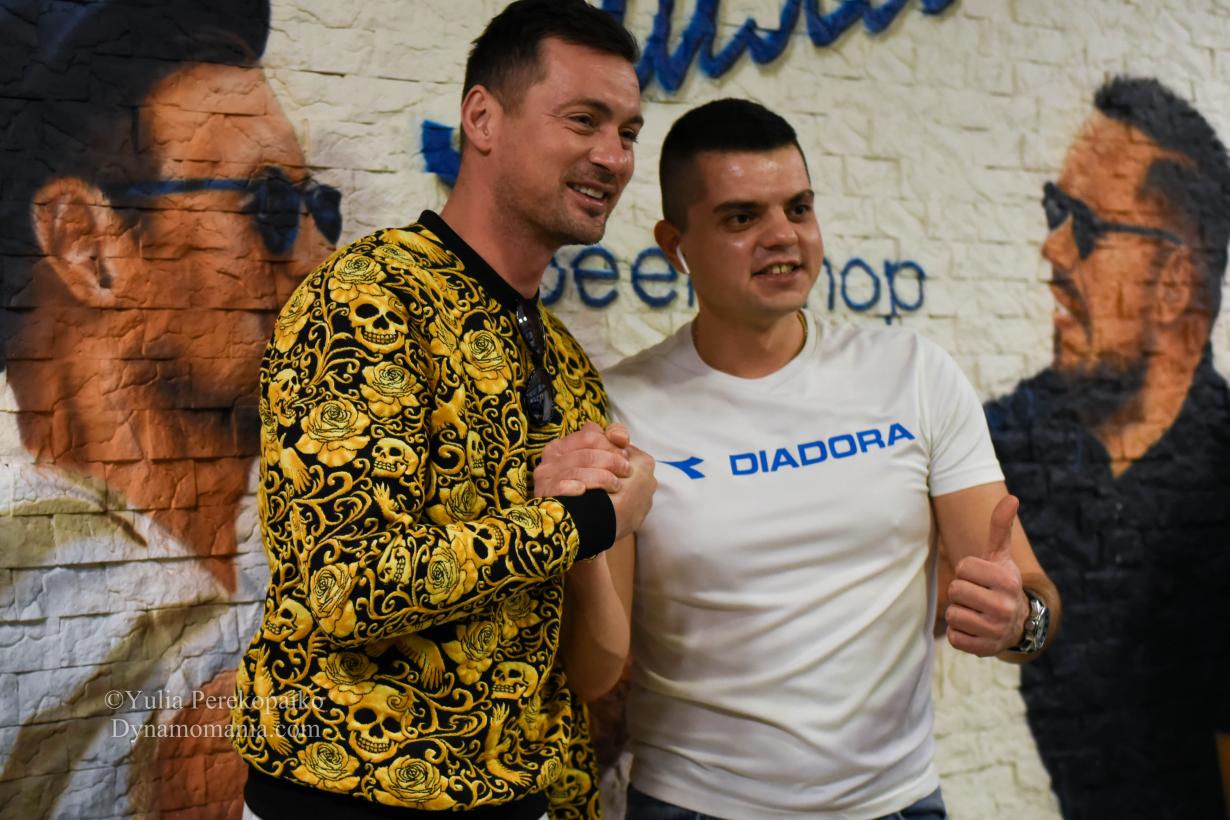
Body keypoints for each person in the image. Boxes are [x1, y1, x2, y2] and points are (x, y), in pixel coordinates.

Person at [229, 1, 654, 818]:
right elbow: (345, 587)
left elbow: (586, 669)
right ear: (482, 118)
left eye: (628, 132)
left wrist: (591, 523)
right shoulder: (367, 297)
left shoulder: (567, 362)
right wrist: (582, 522)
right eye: (583, 120)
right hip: (347, 797)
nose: (613, 156)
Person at [597, 99, 1062, 819]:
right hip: (697, 805)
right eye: (742, 217)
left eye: (799, 208)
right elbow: (600, 661)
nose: (783, 236)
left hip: (899, 804)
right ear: (674, 244)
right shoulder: (624, 408)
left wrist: (1017, 622)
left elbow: (1030, 594)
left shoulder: (914, 373)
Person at [0, 0, 336, 815]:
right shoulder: (37, 571)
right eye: (268, 208)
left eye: (319, 208)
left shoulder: (258, 555)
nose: (321, 259)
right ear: (89, 248)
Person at [983, 76, 1230, 819]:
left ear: (1175, 282)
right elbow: (1032, 628)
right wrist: (1018, 624)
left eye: (1084, 226)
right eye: (1055, 210)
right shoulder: (1011, 438)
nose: (1053, 248)